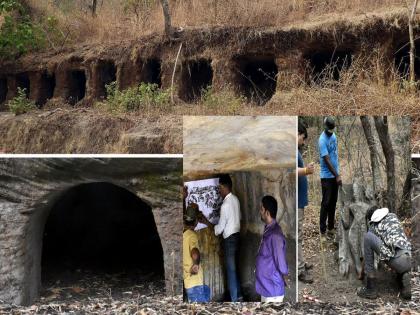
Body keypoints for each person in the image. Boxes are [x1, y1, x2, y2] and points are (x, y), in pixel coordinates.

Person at [198, 174, 242, 302]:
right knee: (235, 269)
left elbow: (218, 230)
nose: (218, 191)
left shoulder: (225, 205)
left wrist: (206, 222)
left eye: (219, 188)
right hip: (237, 237)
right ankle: (239, 296)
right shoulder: (236, 199)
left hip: (229, 241)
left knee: (231, 271)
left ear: (223, 187)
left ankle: (234, 301)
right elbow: (239, 218)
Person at [357, 207, 412, 300]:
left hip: (398, 261)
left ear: (371, 219)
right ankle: (405, 283)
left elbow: (368, 254)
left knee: (368, 237)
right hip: (410, 257)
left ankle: (371, 289)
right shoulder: (393, 217)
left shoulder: (373, 225)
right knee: (395, 250)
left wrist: (361, 274)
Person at [255, 195, 288, 302]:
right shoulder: (268, 229)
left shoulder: (275, 235)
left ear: (267, 213)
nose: (260, 211)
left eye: (262, 209)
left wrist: (285, 275)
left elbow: (281, 261)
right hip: (266, 286)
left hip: (272, 289)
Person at [318, 116, 341, 242]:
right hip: (326, 177)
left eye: (332, 130)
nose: (331, 132)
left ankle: (331, 228)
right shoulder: (322, 140)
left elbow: (335, 154)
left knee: (333, 202)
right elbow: (327, 160)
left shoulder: (334, 136)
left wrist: (338, 173)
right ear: (325, 126)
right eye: (329, 130)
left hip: (335, 175)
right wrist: (337, 175)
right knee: (325, 203)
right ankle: (322, 231)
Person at [297, 120, 314, 283]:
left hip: (299, 201)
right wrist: (306, 170)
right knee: (297, 235)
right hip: (295, 202)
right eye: (302, 137)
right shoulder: (291, 150)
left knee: (299, 235)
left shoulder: (296, 151)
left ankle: (301, 263)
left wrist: (306, 169)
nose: (303, 140)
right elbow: (290, 170)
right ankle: (299, 270)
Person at [183, 203, 210, 302]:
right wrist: (195, 264)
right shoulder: (192, 235)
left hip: (188, 282)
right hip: (195, 283)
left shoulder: (184, 234)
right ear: (196, 221)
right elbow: (195, 252)